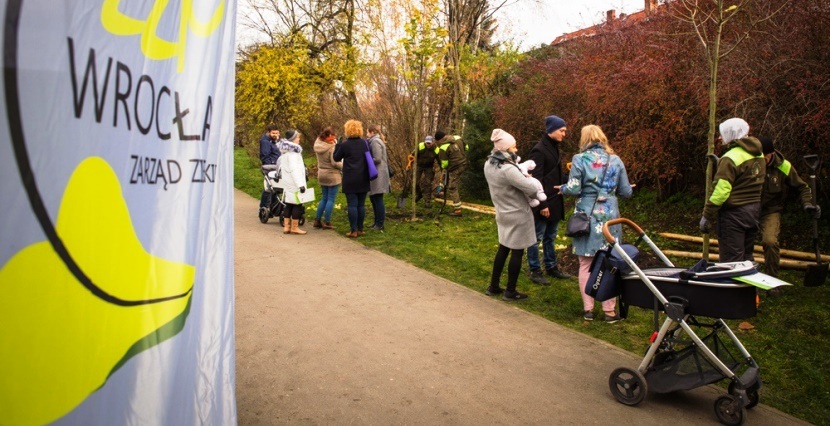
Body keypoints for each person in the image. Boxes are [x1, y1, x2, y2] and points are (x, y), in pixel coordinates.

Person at [559, 125, 633, 323]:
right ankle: (609, 312)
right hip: (610, 217)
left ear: (585, 140)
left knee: (585, 263)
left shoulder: (579, 159)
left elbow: (574, 188)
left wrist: (564, 188)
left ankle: (588, 310)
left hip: (587, 215)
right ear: (602, 138)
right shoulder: (616, 160)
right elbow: (626, 192)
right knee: (610, 263)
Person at [484, 129, 542, 301]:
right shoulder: (508, 169)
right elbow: (531, 189)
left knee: (503, 248)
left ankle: (493, 286)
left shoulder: (489, 164)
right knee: (517, 252)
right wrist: (529, 179)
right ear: (506, 148)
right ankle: (510, 291)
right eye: (514, 147)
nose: (516, 150)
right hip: (518, 214)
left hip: (502, 212)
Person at [700, 118, 766, 263]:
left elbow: (721, 191)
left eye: (723, 134)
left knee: (732, 260)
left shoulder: (730, 158)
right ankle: (748, 286)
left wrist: (707, 215)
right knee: (747, 257)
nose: (719, 137)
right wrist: (720, 163)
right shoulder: (758, 154)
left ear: (731, 134)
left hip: (734, 215)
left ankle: (731, 285)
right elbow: (744, 177)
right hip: (753, 211)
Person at [759, 137, 819, 285]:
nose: (762, 159)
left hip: (770, 210)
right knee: (741, 243)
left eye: (765, 156)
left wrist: (807, 203)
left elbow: (802, 187)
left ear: (771, 153)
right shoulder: (750, 162)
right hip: (748, 208)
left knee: (770, 241)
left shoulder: (783, 166)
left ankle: (772, 281)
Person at [526, 115, 572, 285]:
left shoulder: (554, 147)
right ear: (551, 130)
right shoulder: (539, 149)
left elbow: (552, 174)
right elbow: (535, 179)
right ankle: (535, 269)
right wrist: (542, 204)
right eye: (562, 130)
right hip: (544, 202)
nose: (564, 134)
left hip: (555, 200)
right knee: (536, 237)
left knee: (550, 236)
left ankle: (551, 266)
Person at [333, 120, 371, 238]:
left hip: (350, 177)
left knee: (352, 205)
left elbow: (336, 158)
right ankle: (360, 229)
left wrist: (337, 145)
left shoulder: (345, 145)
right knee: (361, 205)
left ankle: (353, 230)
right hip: (363, 177)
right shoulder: (365, 143)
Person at [276, 130, 308, 235]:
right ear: (293, 139)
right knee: (297, 204)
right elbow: (295, 170)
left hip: (287, 182)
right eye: (298, 137)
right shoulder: (293, 154)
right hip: (295, 182)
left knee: (288, 204)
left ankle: (286, 227)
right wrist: (301, 185)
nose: (299, 139)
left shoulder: (285, 153)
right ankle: (294, 227)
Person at [313, 126, 342, 230]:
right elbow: (335, 162)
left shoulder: (318, 144)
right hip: (332, 174)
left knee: (324, 198)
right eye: (333, 135)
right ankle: (327, 221)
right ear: (329, 136)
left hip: (321, 173)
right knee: (331, 199)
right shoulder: (331, 147)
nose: (335, 137)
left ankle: (317, 220)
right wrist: (344, 165)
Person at [436, 131, 467, 216]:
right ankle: (441, 189)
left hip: (455, 168)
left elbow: (444, 164)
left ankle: (457, 211)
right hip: (464, 164)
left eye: (437, 141)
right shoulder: (458, 137)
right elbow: (466, 147)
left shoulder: (443, 147)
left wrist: (443, 170)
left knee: (452, 188)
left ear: (440, 140)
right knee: (450, 181)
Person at [367, 124, 391, 230]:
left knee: (377, 198)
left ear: (372, 132)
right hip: (377, 173)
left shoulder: (375, 141)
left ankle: (379, 223)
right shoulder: (375, 140)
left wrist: (367, 160)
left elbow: (377, 158)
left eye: (367, 132)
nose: (366, 134)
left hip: (378, 174)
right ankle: (376, 222)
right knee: (374, 198)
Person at [413, 135, 440, 208]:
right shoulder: (420, 146)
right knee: (415, 182)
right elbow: (413, 155)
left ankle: (427, 202)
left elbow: (439, 160)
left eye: (429, 143)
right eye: (427, 143)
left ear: (433, 142)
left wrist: (442, 168)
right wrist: (410, 162)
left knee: (428, 184)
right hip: (419, 166)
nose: (428, 144)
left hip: (429, 167)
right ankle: (419, 194)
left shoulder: (436, 149)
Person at [259, 125, 281, 212]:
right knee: (268, 188)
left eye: (277, 133)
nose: (275, 134)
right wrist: (269, 164)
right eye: (273, 133)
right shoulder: (265, 141)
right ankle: (264, 206)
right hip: (270, 166)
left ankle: (274, 207)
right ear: (269, 132)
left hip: (277, 165)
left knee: (274, 187)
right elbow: (265, 155)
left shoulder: (276, 141)